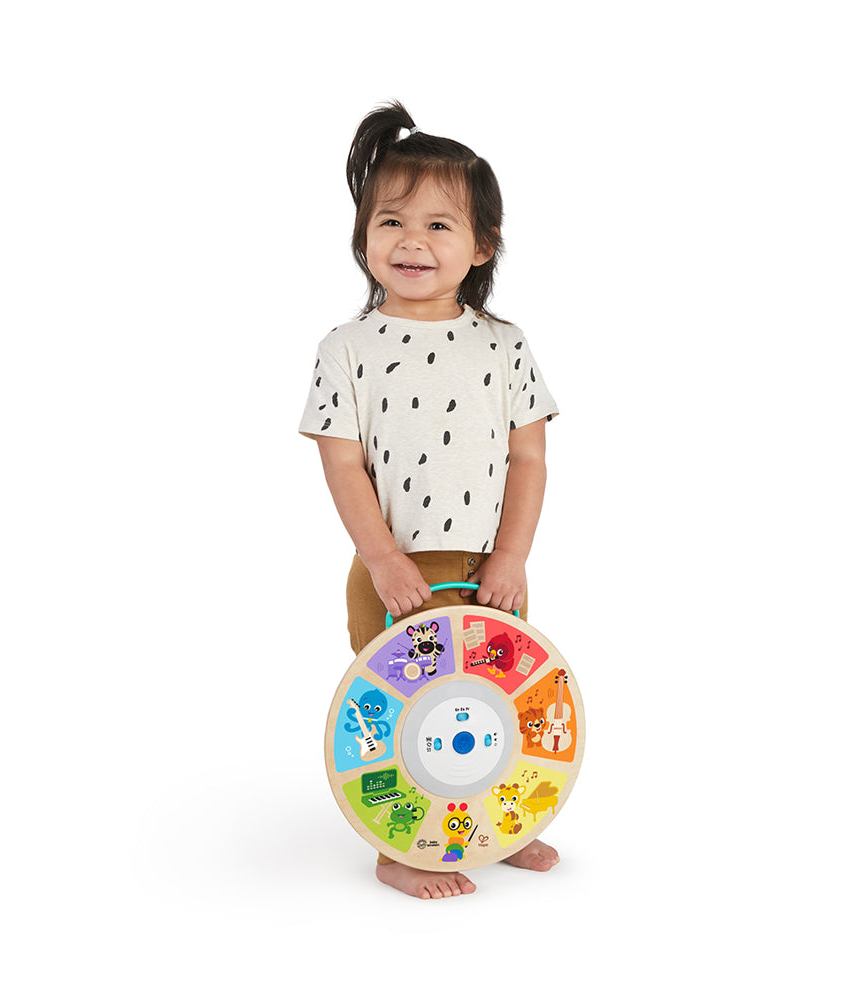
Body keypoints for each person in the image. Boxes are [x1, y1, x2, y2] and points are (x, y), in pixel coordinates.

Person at [299, 101, 560, 899]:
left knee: (495, 706)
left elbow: (529, 457)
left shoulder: (506, 344)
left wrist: (510, 556)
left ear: (482, 246)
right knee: (401, 716)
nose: (412, 240)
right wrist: (382, 560)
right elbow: (342, 464)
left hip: (488, 571)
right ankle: (397, 846)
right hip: (395, 573)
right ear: (364, 238)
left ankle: (501, 826)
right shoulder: (346, 348)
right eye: (391, 221)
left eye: (439, 225)